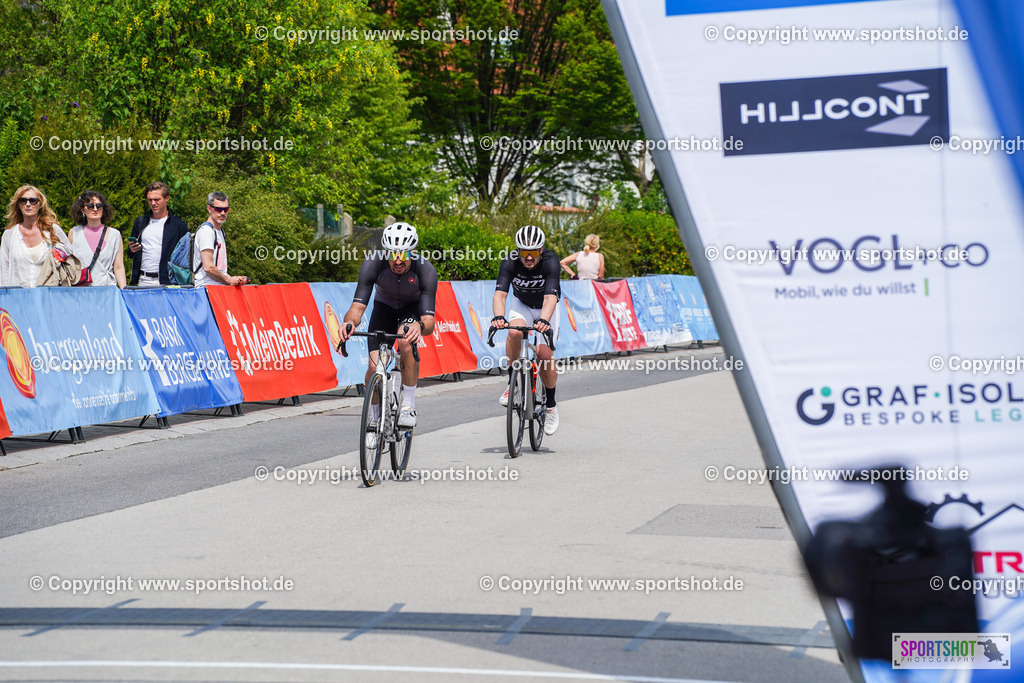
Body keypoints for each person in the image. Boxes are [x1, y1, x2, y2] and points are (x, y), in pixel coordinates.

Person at [337, 222, 437, 441]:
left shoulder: (425, 269)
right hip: (384, 309)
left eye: (403, 254)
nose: (398, 260)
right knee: (374, 367)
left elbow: (429, 321)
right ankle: (373, 421)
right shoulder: (373, 264)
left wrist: (419, 326)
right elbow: (357, 308)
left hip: (412, 310)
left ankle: (408, 405)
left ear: (413, 251)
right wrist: (349, 323)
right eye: (393, 255)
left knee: (405, 340)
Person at [492, 224, 562, 435]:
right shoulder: (510, 261)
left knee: (543, 354)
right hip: (521, 304)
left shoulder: (551, 262)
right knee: (514, 332)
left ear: (541, 250)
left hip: (545, 307)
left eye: (533, 252)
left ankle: (550, 405)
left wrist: (544, 320)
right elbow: (500, 295)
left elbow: (551, 298)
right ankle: (512, 382)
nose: (529, 257)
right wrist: (498, 316)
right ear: (518, 250)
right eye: (524, 252)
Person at [1, 185, 71, 287]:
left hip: (49, 297)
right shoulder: (10, 234)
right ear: (18, 205)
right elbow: (3, 270)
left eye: (33, 201)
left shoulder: (53, 230)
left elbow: (69, 260)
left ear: (40, 204)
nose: (28, 204)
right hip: (18, 298)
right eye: (23, 201)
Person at [128, 181, 189, 286]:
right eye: (150, 200)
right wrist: (132, 249)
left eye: (157, 199)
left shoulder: (179, 226)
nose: (153, 203)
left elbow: (184, 258)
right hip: (143, 280)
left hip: (168, 282)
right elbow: (130, 254)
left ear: (166, 198)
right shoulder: (140, 222)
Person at [67, 190, 126, 288]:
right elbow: (70, 266)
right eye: (90, 206)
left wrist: (124, 291)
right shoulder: (74, 233)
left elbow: (119, 267)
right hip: (81, 292)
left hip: (107, 291)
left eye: (99, 206)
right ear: (82, 210)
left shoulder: (114, 234)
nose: (95, 209)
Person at [192, 191, 248, 286]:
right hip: (206, 288)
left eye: (226, 209)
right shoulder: (207, 231)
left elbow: (219, 269)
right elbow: (208, 267)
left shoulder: (220, 231)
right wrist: (228, 280)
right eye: (218, 209)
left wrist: (232, 279)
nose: (222, 213)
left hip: (218, 288)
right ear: (209, 209)